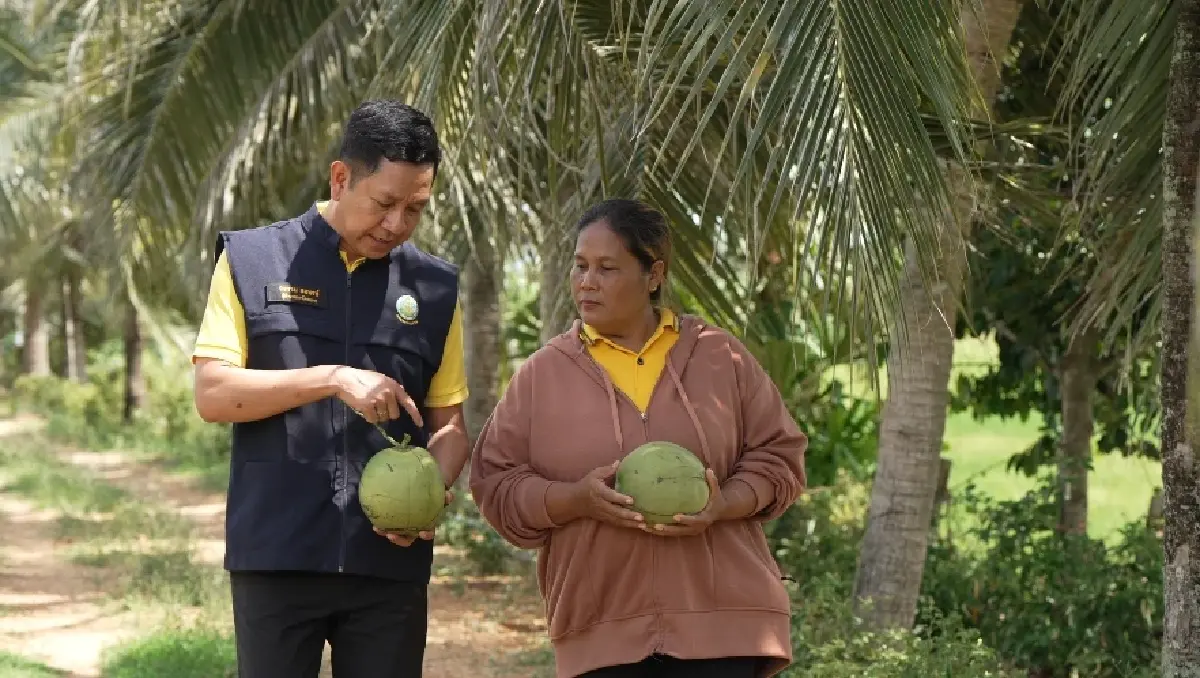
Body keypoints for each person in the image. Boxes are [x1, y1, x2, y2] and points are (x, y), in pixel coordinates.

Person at [469, 198, 808, 678]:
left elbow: (780, 458)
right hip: (601, 633)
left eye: (607, 268)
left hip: (724, 628)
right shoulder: (543, 375)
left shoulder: (718, 356)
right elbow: (496, 485)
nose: (587, 282)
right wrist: (574, 500)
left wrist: (723, 503)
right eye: (580, 265)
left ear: (654, 275)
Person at [191, 100, 470, 678]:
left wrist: (432, 488)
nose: (396, 224)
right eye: (385, 203)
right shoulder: (251, 259)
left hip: (388, 567)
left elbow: (449, 426)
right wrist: (333, 379)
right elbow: (213, 393)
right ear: (341, 178)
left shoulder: (436, 289)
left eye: (416, 208)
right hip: (277, 556)